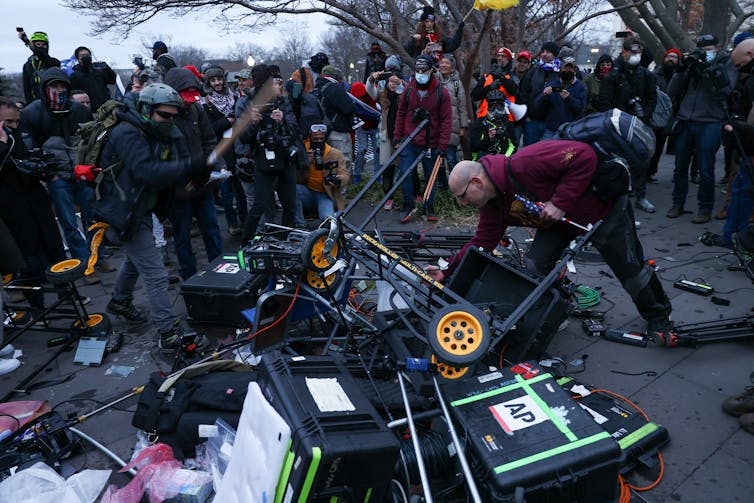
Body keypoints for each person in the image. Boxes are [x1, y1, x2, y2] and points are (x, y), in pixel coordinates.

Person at [427, 141, 673, 340]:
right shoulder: (492, 205)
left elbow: (583, 155)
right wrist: (446, 270)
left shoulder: (526, 162)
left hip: (602, 211)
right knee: (535, 266)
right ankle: (559, 309)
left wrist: (559, 203)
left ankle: (659, 316)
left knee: (629, 269)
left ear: (477, 182)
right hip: (559, 224)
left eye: (462, 196)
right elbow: (481, 243)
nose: (463, 203)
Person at [95, 83, 204, 352]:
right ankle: (168, 332)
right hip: (122, 211)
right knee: (155, 272)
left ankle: (119, 301)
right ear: (146, 110)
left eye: (174, 116)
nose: (170, 121)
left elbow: (175, 163)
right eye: (164, 115)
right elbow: (148, 171)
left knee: (136, 259)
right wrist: (190, 166)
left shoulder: (163, 131)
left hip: (142, 207)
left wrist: (197, 170)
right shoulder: (126, 133)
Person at [19, 68, 115, 283]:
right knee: (69, 223)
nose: (59, 91)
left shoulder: (79, 111)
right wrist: (48, 174)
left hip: (82, 174)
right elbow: (29, 149)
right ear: (45, 89)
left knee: (93, 218)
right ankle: (83, 265)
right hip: (57, 178)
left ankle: (97, 258)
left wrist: (91, 167)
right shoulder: (33, 112)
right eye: (54, 87)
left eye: (62, 86)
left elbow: (93, 141)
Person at [0, 96, 67, 312]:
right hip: (14, 213)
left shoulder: (21, 137)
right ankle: (38, 309)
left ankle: (67, 298)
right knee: (30, 263)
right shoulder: (6, 141)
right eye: (8, 122)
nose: (14, 127)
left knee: (56, 253)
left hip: (37, 204)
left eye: (16, 122)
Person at [666, 34, 738, 223]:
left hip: (711, 122)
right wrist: (683, 69)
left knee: (706, 169)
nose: (705, 54)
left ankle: (705, 208)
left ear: (718, 47)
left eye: (708, 50)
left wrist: (708, 69)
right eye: (702, 50)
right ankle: (677, 204)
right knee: (680, 167)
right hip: (685, 120)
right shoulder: (692, 64)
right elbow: (671, 91)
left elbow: (726, 89)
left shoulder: (726, 63)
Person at [164, 67, 224, 280]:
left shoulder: (197, 110)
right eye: (185, 97)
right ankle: (189, 277)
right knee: (182, 237)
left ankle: (219, 270)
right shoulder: (163, 118)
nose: (189, 101)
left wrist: (216, 166)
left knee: (212, 229)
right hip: (179, 191)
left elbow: (209, 140)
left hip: (203, 185)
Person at [238, 64, 301, 241]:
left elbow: (295, 129)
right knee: (259, 205)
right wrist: (253, 123)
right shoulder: (246, 102)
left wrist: (282, 122)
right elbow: (242, 138)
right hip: (262, 158)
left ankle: (285, 241)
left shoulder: (281, 100)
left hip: (284, 156)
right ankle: (246, 243)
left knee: (290, 205)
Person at [597, 38, 658, 214]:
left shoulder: (646, 75)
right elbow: (604, 103)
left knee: (641, 160)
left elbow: (651, 97)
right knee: (617, 163)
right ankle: (617, 201)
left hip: (639, 123)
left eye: (638, 52)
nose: (635, 56)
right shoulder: (613, 76)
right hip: (617, 125)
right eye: (632, 52)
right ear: (623, 53)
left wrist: (645, 115)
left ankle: (641, 196)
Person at [393, 54, 452, 223]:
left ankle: (429, 206)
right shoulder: (409, 89)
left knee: (430, 176)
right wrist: (397, 136)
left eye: (423, 70)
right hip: (410, 140)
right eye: (417, 70)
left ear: (431, 71)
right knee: (405, 173)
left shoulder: (442, 92)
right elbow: (401, 112)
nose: (420, 73)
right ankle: (408, 205)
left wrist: (443, 144)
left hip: (431, 142)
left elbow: (446, 120)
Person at [202, 66, 247, 237]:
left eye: (219, 79)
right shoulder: (206, 103)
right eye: (213, 80)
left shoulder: (234, 97)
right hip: (221, 149)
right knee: (227, 189)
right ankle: (232, 223)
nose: (217, 83)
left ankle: (244, 219)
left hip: (237, 147)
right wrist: (228, 121)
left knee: (241, 187)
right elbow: (210, 129)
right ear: (209, 83)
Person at [295, 124, 349, 226]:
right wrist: (305, 163)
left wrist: (339, 180)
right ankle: (300, 225)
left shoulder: (335, 154)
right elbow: (294, 178)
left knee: (329, 221)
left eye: (321, 139)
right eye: (315, 139)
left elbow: (345, 174)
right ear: (310, 138)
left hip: (325, 194)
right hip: (307, 192)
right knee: (293, 189)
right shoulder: (303, 152)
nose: (319, 141)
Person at [367, 69, 406, 211]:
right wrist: (372, 78)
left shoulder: (405, 95)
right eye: (391, 81)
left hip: (403, 137)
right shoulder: (382, 96)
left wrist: (404, 86)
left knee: (406, 168)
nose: (394, 84)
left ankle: (412, 196)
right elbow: (369, 89)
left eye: (397, 81)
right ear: (387, 82)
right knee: (387, 168)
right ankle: (389, 198)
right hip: (386, 137)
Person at [533, 56, 586, 139]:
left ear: (574, 71)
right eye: (565, 68)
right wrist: (544, 95)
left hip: (571, 131)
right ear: (560, 69)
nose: (567, 71)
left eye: (570, 69)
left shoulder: (581, 87)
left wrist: (569, 99)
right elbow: (537, 105)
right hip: (552, 130)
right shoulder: (552, 84)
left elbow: (581, 108)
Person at [315, 66, 356, 174]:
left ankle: (328, 189)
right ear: (336, 76)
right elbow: (348, 108)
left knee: (329, 164)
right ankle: (341, 190)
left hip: (322, 133)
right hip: (339, 132)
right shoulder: (335, 88)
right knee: (343, 163)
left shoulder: (316, 88)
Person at [519, 41, 561, 145]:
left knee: (548, 153)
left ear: (555, 55)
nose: (545, 54)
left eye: (548, 52)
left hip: (552, 122)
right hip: (533, 120)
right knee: (530, 152)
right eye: (543, 51)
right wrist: (526, 115)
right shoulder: (533, 72)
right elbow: (524, 93)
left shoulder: (560, 72)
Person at [648, 48, 681, 182]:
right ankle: (648, 171)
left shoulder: (679, 75)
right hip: (657, 114)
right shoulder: (655, 74)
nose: (671, 59)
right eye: (669, 56)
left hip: (673, 114)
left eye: (674, 57)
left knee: (661, 145)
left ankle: (652, 170)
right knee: (653, 144)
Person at [436, 55, 469, 186]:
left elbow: (462, 106)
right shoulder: (434, 80)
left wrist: (463, 126)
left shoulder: (456, 83)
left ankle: (456, 186)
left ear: (452, 67)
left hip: (452, 126)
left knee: (451, 159)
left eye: (447, 63)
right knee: (438, 161)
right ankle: (442, 187)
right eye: (441, 63)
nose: (443, 65)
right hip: (436, 126)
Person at [469, 90, 517, 159]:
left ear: (503, 107)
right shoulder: (479, 123)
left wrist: (504, 159)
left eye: (499, 107)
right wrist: (489, 139)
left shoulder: (508, 124)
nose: (496, 111)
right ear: (488, 108)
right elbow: (473, 147)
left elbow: (513, 146)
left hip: (502, 162)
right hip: (482, 162)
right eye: (492, 107)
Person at [69, 46, 117, 111]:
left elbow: (112, 80)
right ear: (78, 59)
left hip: (105, 108)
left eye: (87, 55)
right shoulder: (75, 75)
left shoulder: (99, 71)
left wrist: (107, 69)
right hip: (88, 109)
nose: (85, 57)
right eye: (82, 56)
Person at [350, 81, 380, 183]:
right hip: (362, 127)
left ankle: (377, 174)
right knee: (361, 150)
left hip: (375, 126)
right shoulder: (353, 99)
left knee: (377, 150)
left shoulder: (373, 93)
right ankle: (357, 173)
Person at [21, 31, 61, 104]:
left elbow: (45, 57)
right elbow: (26, 88)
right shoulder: (27, 65)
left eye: (43, 45)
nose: (41, 47)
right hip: (35, 102)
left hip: (52, 101)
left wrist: (29, 44)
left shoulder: (53, 62)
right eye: (38, 44)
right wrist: (29, 104)